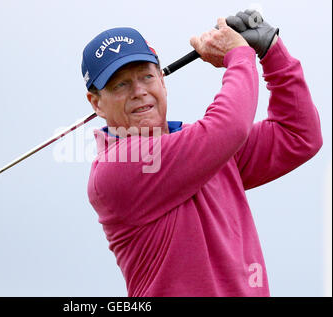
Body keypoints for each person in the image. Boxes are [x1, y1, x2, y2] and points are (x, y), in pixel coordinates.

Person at [81, 10, 323, 296]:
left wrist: (272, 51)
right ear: (96, 103)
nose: (138, 91)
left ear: (162, 81)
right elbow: (229, 128)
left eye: (146, 76)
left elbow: (298, 134)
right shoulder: (116, 168)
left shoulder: (205, 147)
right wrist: (239, 57)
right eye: (120, 84)